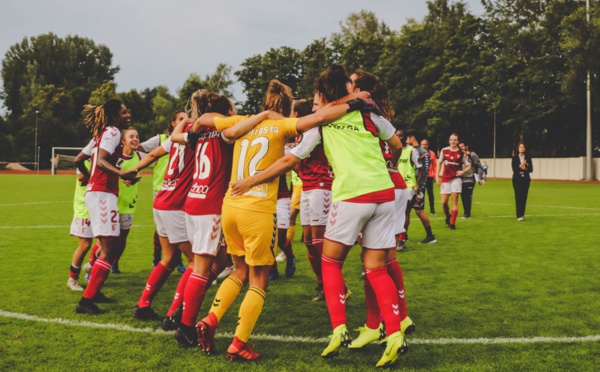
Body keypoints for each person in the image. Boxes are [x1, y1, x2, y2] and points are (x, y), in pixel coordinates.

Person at [229, 66, 406, 368]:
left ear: (323, 95)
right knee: (376, 267)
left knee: (331, 261)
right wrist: (386, 164)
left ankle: (339, 330)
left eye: (315, 98)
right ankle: (394, 334)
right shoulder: (370, 114)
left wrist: (251, 180)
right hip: (385, 193)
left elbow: (288, 159)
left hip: (353, 195)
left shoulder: (322, 123)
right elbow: (397, 145)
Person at [196, 79, 361, 361]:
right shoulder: (284, 125)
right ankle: (239, 342)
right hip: (258, 208)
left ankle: (210, 319)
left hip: (231, 205)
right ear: (286, 107)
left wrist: (257, 116)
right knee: (259, 279)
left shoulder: (243, 120)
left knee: (238, 270)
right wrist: (355, 101)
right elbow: (320, 118)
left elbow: (205, 119)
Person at [345, 69, 416, 351]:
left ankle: (380, 323)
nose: (345, 86)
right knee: (385, 258)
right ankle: (401, 316)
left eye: (349, 82)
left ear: (360, 90)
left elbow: (393, 148)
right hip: (391, 186)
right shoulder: (378, 116)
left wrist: (387, 170)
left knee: (373, 261)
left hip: (380, 189)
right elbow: (394, 148)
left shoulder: (359, 114)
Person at [75, 99, 136, 315]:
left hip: (101, 192)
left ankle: (94, 291)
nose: (127, 115)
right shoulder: (112, 132)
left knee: (110, 245)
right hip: (102, 194)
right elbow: (100, 160)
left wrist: (90, 175)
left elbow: (79, 158)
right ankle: (85, 302)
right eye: (124, 111)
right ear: (113, 117)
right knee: (110, 248)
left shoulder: (102, 134)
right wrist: (121, 174)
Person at [141, 111, 188, 271]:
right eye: (181, 119)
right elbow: (143, 149)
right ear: (173, 123)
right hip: (161, 188)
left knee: (181, 227)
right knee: (163, 229)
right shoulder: (161, 139)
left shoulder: (189, 138)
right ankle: (159, 256)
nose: (186, 121)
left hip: (181, 189)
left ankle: (177, 259)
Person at [67, 140, 95, 291]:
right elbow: (81, 179)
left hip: (100, 205)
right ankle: (72, 279)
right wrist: (98, 170)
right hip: (85, 207)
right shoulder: (88, 157)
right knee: (85, 244)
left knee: (109, 242)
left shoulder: (106, 156)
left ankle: (90, 266)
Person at [404, 129, 437, 243]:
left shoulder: (423, 152)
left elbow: (425, 171)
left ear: (412, 138)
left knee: (419, 211)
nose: (406, 140)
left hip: (418, 187)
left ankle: (430, 236)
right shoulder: (410, 150)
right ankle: (404, 236)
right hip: (409, 186)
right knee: (406, 211)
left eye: (407, 138)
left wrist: (420, 187)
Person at [436, 133, 470, 230]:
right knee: (444, 203)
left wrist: (462, 172)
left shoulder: (461, 153)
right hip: (446, 179)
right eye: (451, 140)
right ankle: (448, 216)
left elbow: (469, 165)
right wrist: (437, 175)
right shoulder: (444, 150)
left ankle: (452, 224)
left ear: (457, 141)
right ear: (449, 141)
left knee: (454, 201)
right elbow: (439, 163)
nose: (453, 141)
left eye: (455, 140)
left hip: (456, 178)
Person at [458, 141, 483, 219]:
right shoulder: (459, 155)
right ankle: (466, 212)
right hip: (461, 179)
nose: (461, 148)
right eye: (460, 147)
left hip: (470, 178)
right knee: (463, 196)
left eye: (462, 146)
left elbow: (479, 166)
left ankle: (467, 214)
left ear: (466, 146)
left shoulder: (472, 155)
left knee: (467, 196)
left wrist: (480, 177)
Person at [512, 143, 533, 221]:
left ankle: (522, 214)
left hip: (525, 179)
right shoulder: (514, 158)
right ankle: (518, 215)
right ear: (518, 148)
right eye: (520, 147)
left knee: (524, 197)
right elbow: (514, 169)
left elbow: (531, 169)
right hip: (517, 180)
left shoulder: (528, 158)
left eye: (523, 147)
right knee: (518, 196)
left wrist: (525, 167)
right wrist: (521, 165)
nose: (522, 148)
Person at [421, 138, 438, 215]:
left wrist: (435, 175)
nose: (424, 146)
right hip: (421, 176)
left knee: (430, 193)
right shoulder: (418, 153)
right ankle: (421, 209)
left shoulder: (432, 153)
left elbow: (435, 165)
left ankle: (432, 209)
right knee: (421, 193)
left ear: (427, 145)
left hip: (430, 176)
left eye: (425, 145)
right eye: (422, 145)